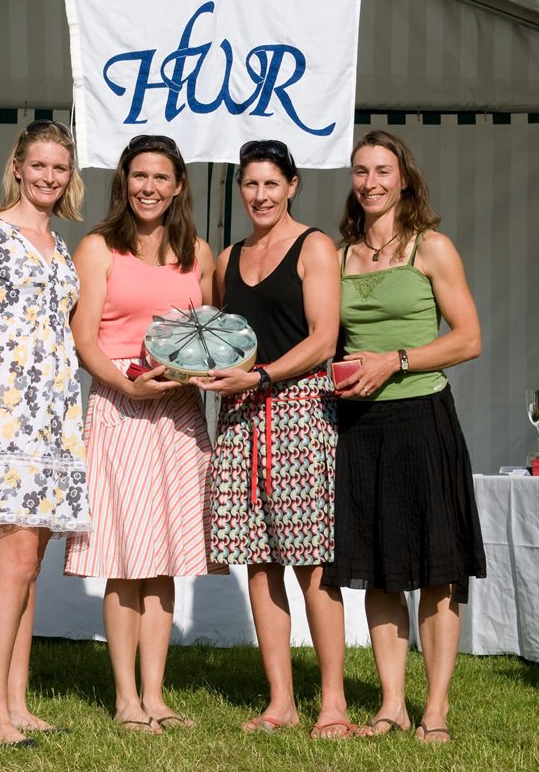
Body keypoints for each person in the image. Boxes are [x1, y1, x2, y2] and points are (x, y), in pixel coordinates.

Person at [322, 130, 485, 744]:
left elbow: (468, 338)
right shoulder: (337, 257)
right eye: (361, 172)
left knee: (438, 571)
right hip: (360, 428)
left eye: (382, 171)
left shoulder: (431, 249)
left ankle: (435, 708)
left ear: (405, 180)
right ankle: (391, 704)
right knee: (381, 569)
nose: (370, 182)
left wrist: (397, 360)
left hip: (423, 419)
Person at [193, 140, 350, 739]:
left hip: (301, 411)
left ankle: (332, 703)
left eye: (270, 184)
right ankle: (280, 700)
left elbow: (323, 338)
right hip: (239, 417)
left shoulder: (315, 247)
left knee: (312, 559)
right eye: (250, 185)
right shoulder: (229, 256)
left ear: (293, 185)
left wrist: (261, 375)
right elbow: (211, 333)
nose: (260, 196)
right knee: (259, 562)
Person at [62, 135, 216, 734]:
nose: (148, 188)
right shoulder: (98, 247)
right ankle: (126, 698)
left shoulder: (197, 252)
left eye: (160, 177)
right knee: (125, 558)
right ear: (124, 182)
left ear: (179, 186)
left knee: (165, 558)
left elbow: (213, 331)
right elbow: (84, 341)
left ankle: (156, 695)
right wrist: (126, 386)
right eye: (138, 176)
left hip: (179, 412)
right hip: (121, 406)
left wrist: (201, 375)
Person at [0, 120, 90, 749]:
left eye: (60, 168)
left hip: (56, 413)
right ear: (18, 165)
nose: (49, 177)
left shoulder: (62, 246)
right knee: (11, 560)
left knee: (31, 562)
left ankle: (19, 700)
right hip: (5, 411)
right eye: (39, 165)